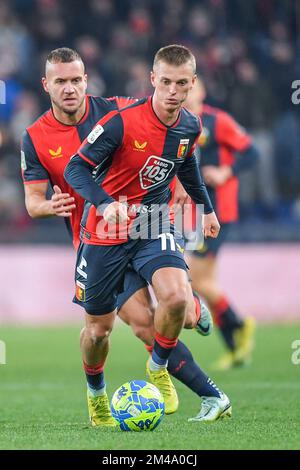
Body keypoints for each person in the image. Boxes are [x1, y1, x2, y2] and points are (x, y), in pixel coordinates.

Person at [22, 47, 230, 426]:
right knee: (115, 328)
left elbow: (169, 121)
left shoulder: (116, 110)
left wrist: (199, 201)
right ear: (46, 85)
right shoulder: (35, 137)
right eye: (60, 82)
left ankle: (201, 379)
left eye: (75, 80)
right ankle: (100, 393)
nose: (69, 89)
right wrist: (52, 206)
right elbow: (34, 201)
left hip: (147, 224)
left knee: (172, 301)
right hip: (99, 237)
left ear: (87, 80)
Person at [183, 78, 258, 370]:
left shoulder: (218, 121)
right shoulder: (176, 124)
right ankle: (235, 346)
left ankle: (238, 324)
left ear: (201, 91)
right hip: (195, 213)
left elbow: (252, 152)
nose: (186, 94)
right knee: (207, 281)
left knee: (199, 280)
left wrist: (227, 172)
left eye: (191, 87)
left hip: (219, 211)